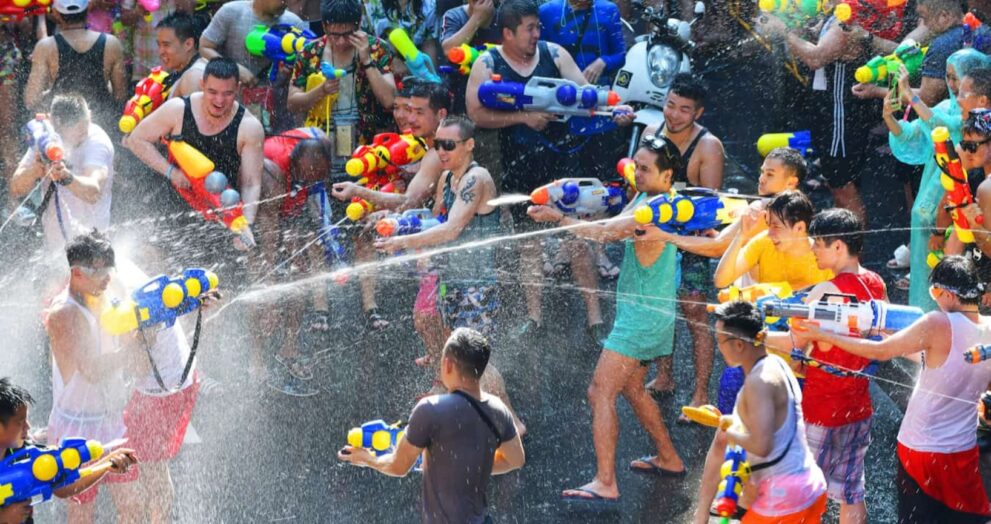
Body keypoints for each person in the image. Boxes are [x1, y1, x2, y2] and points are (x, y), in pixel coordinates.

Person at [529, 137, 686, 503]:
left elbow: (604, 232)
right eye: (637, 165)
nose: (637, 173)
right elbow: (613, 218)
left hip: (641, 322)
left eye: (645, 169)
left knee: (599, 391)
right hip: (646, 315)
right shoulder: (653, 199)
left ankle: (606, 482)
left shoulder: (653, 211)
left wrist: (559, 218)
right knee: (632, 388)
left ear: (668, 175)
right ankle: (669, 457)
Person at [466, 0, 633, 340]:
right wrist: (523, 117)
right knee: (529, 246)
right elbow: (476, 114)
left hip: (563, 159)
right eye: (529, 28)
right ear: (508, 33)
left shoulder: (554, 54)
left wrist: (614, 109)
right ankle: (534, 318)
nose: (536, 34)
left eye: (537, 27)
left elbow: (587, 96)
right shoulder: (488, 62)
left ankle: (595, 321)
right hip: (519, 162)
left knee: (576, 237)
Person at [793, 256, 991, 523]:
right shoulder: (987, 330)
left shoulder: (937, 323)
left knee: (917, 518)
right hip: (962, 448)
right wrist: (875, 329)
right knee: (969, 518)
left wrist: (825, 335)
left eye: (934, 293)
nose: (934, 300)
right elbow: (934, 358)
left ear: (946, 292)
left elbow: (881, 351)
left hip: (920, 449)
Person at [374, 114, 526, 434]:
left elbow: (452, 229)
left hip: (476, 287)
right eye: (437, 144)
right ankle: (471, 414)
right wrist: (399, 223)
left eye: (449, 145)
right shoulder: (448, 178)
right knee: (455, 353)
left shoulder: (476, 178)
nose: (441, 151)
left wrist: (403, 241)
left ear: (469, 145)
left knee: (475, 361)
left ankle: (513, 423)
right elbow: (433, 219)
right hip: (452, 282)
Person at [762, 208, 884, 524]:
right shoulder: (876, 283)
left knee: (801, 491)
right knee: (851, 491)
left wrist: (753, 335)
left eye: (818, 244)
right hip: (857, 406)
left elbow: (793, 343)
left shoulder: (825, 292)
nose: (813, 249)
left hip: (821, 408)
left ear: (839, 247)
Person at [338, 327, 526, 523]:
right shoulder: (498, 410)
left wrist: (367, 458)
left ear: (447, 365)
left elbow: (398, 467)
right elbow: (516, 460)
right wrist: (467, 466)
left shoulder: (430, 409)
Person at [691, 301, 828, 524]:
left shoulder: (758, 383)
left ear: (738, 345)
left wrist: (729, 428)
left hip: (783, 503)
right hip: (809, 488)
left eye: (720, 341)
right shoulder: (777, 364)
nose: (719, 348)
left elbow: (761, 446)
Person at [331, 81, 448, 331]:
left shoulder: (440, 151)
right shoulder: (422, 146)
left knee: (433, 324)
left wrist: (357, 191)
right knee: (428, 322)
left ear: (441, 115)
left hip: (449, 252)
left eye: (418, 112)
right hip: (435, 245)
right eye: (408, 110)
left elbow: (410, 200)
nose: (410, 118)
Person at [43, 231, 143, 522]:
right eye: (100, 272)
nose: (108, 279)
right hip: (76, 430)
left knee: (132, 507)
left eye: (109, 271)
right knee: (82, 511)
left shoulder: (103, 297)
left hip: (110, 422)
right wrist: (132, 347)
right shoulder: (64, 313)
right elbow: (91, 370)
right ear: (77, 273)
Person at [641, 73, 726, 412]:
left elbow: (711, 210)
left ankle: (701, 393)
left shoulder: (708, 147)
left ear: (698, 114)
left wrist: (676, 222)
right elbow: (639, 185)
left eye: (683, 110)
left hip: (689, 242)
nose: (673, 115)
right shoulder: (651, 134)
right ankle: (665, 377)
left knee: (694, 314)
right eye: (670, 105)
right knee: (660, 310)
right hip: (655, 241)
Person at [125, 57, 265, 261]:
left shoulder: (249, 127)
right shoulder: (178, 109)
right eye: (212, 92)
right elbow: (136, 140)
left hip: (217, 211)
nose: (219, 101)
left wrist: (245, 225)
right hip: (170, 200)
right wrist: (171, 172)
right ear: (202, 85)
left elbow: (252, 183)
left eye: (227, 94)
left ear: (238, 89)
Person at [884, 48, 991, 312]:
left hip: (964, 225)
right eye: (949, 77)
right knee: (944, 264)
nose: (953, 86)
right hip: (942, 208)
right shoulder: (949, 110)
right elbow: (913, 136)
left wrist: (911, 95)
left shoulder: (973, 123)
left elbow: (939, 122)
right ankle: (932, 316)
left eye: (959, 80)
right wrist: (889, 115)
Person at [757, 1, 873, 221]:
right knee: (838, 183)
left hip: (841, 115)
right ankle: (844, 243)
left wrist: (783, 31)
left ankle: (853, 251)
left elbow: (816, 57)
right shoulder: (832, 15)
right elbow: (810, 44)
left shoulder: (845, 22)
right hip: (830, 113)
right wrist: (789, 26)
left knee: (843, 187)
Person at [255, 129, 334, 394]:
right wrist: (271, 282)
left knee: (299, 273)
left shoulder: (319, 151)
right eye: (310, 176)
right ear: (297, 167)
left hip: (290, 212)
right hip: (258, 218)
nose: (316, 180)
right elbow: (268, 231)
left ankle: (288, 349)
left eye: (319, 176)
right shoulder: (273, 171)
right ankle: (256, 364)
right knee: (261, 285)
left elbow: (309, 197)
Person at [0, 377, 140, 524]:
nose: (28, 427)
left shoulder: (25, 454)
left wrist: (106, 464)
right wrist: (3, 516)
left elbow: (64, 487)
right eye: (20, 422)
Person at [288, 0, 396, 161]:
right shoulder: (310, 53)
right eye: (334, 35)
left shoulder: (376, 49)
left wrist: (366, 60)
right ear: (324, 26)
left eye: (347, 35)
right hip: (321, 147)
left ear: (358, 25)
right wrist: (320, 91)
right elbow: (292, 104)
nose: (340, 42)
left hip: (366, 147)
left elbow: (389, 100)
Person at [10, 94, 115, 255]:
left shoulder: (97, 143)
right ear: (55, 126)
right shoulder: (46, 140)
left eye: (85, 126)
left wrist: (66, 177)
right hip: (54, 246)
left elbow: (94, 192)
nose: (83, 133)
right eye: (77, 131)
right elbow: (16, 188)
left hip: (92, 247)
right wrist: (34, 171)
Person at [199, 0, 308, 132]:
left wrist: (289, 71)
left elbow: (306, 65)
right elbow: (205, 47)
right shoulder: (231, 12)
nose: (286, 3)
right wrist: (235, 69)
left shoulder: (293, 24)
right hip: (232, 103)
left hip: (276, 107)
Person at [23, 0, 127, 131]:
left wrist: (47, 93)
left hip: (61, 130)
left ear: (56, 13)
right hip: (100, 128)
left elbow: (31, 100)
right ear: (88, 8)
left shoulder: (46, 47)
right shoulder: (112, 44)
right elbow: (120, 96)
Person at [714, 190, 833, 291]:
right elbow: (721, 281)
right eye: (768, 225)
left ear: (799, 227)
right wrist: (741, 235)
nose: (770, 234)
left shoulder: (823, 258)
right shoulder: (764, 242)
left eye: (776, 226)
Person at [157, 11, 208, 100]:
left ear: (188, 44)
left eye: (166, 45)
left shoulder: (194, 76)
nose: (160, 52)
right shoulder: (183, 69)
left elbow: (192, 114)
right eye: (159, 45)